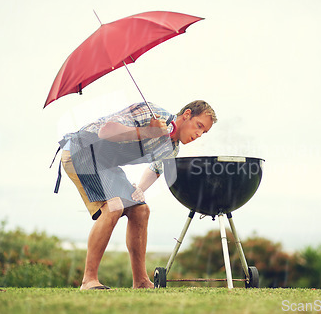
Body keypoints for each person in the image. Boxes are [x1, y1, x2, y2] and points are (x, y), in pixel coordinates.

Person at [57, 100, 217, 290]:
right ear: (187, 114)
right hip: (81, 149)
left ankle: (141, 281)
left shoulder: (171, 148)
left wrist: (139, 189)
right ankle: (88, 280)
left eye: (204, 132)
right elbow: (106, 131)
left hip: (105, 164)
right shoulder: (153, 113)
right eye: (199, 126)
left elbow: (156, 169)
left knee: (140, 210)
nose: (199, 134)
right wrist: (149, 131)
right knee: (114, 206)